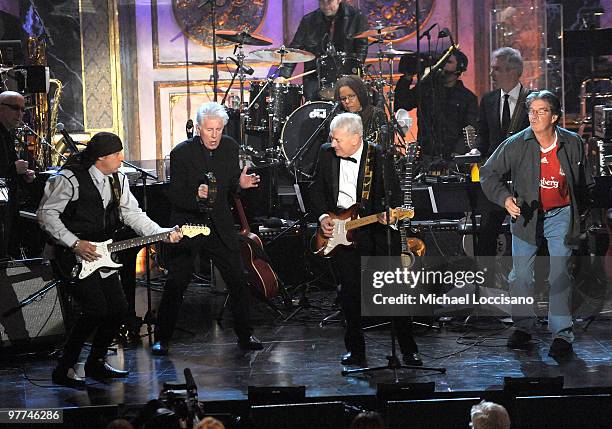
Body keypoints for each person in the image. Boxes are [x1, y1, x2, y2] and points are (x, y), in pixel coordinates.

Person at [37, 132, 183, 388]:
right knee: (95, 310)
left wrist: (162, 233)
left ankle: (95, 362)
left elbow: (132, 214)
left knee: (117, 310)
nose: (121, 158)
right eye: (116, 154)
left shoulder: (118, 179)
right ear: (100, 158)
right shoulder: (69, 178)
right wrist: (75, 243)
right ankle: (64, 367)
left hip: (102, 253)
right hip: (71, 253)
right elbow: (47, 215)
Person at [480, 90, 595, 357]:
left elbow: (585, 182)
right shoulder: (516, 143)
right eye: (531, 110)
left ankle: (562, 335)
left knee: (559, 273)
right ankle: (523, 327)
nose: (534, 115)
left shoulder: (573, 142)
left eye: (541, 111)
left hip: (561, 214)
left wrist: (580, 214)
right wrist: (505, 198)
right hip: (527, 217)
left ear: (554, 117)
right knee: (520, 276)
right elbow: (488, 173)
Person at [310, 112, 421, 367]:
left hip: (373, 230)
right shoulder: (326, 154)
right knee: (349, 294)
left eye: (337, 139)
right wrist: (324, 216)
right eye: (332, 138)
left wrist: (390, 216)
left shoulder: (379, 156)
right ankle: (356, 351)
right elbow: (315, 189)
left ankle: (409, 349)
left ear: (356, 138)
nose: (333, 144)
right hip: (340, 231)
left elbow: (393, 196)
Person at [152, 102, 263, 356]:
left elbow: (230, 185)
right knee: (177, 282)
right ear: (199, 128)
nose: (214, 135)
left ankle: (245, 335)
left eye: (219, 129)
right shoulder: (181, 153)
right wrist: (196, 195)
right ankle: (162, 338)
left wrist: (240, 184)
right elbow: (174, 194)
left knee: (237, 279)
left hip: (219, 224)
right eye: (209, 129)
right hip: (189, 224)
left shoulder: (230, 147)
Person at [473, 47, 531, 286]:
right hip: (495, 178)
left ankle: (529, 283)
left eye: (496, 68)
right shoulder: (488, 100)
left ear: (514, 71)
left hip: (524, 178)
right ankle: (485, 286)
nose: (491, 73)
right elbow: (483, 135)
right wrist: (476, 149)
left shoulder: (532, 100)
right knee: (487, 230)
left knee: (526, 231)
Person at [274, 0, 368, 101]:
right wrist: (283, 75)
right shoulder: (309, 21)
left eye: (329, 1)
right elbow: (294, 50)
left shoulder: (356, 17)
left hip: (346, 75)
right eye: (322, 1)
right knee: (313, 106)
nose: (325, 5)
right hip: (315, 77)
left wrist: (353, 70)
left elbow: (361, 49)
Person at [394, 49, 478, 159]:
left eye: (448, 61)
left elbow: (471, 128)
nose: (442, 63)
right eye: (441, 60)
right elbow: (401, 103)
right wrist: (407, 77)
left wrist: (457, 153)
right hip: (426, 155)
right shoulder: (426, 89)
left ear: (459, 68)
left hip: (453, 158)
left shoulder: (468, 98)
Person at [0, 91, 36, 258]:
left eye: (23, 110)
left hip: (8, 202)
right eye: (15, 108)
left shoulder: (7, 133)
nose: (20, 114)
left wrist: (23, 174)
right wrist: (14, 169)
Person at [334, 75, 387, 141]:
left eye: (351, 96)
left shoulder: (376, 114)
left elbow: (382, 146)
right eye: (343, 98)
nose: (347, 101)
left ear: (360, 94)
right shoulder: (338, 118)